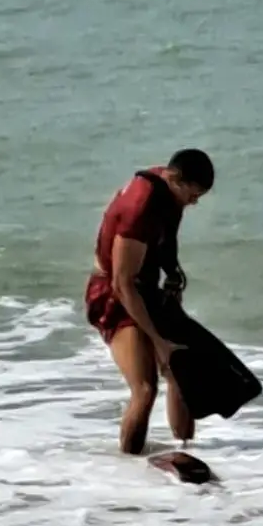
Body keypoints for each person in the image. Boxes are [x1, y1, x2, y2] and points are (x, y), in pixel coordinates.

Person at [84, 149, 214, 455]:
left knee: (180, 368)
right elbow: (122, 282)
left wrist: (172, 276)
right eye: (192, 195)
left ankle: (186, 452)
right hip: (113, 295)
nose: (194, 203)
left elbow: (166, 240)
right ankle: (128, 473)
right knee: (145, 389)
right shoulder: (138, 209)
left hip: (145, 287)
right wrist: (158, 341)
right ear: (174, 178)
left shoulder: (171, 192)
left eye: (200, 197)